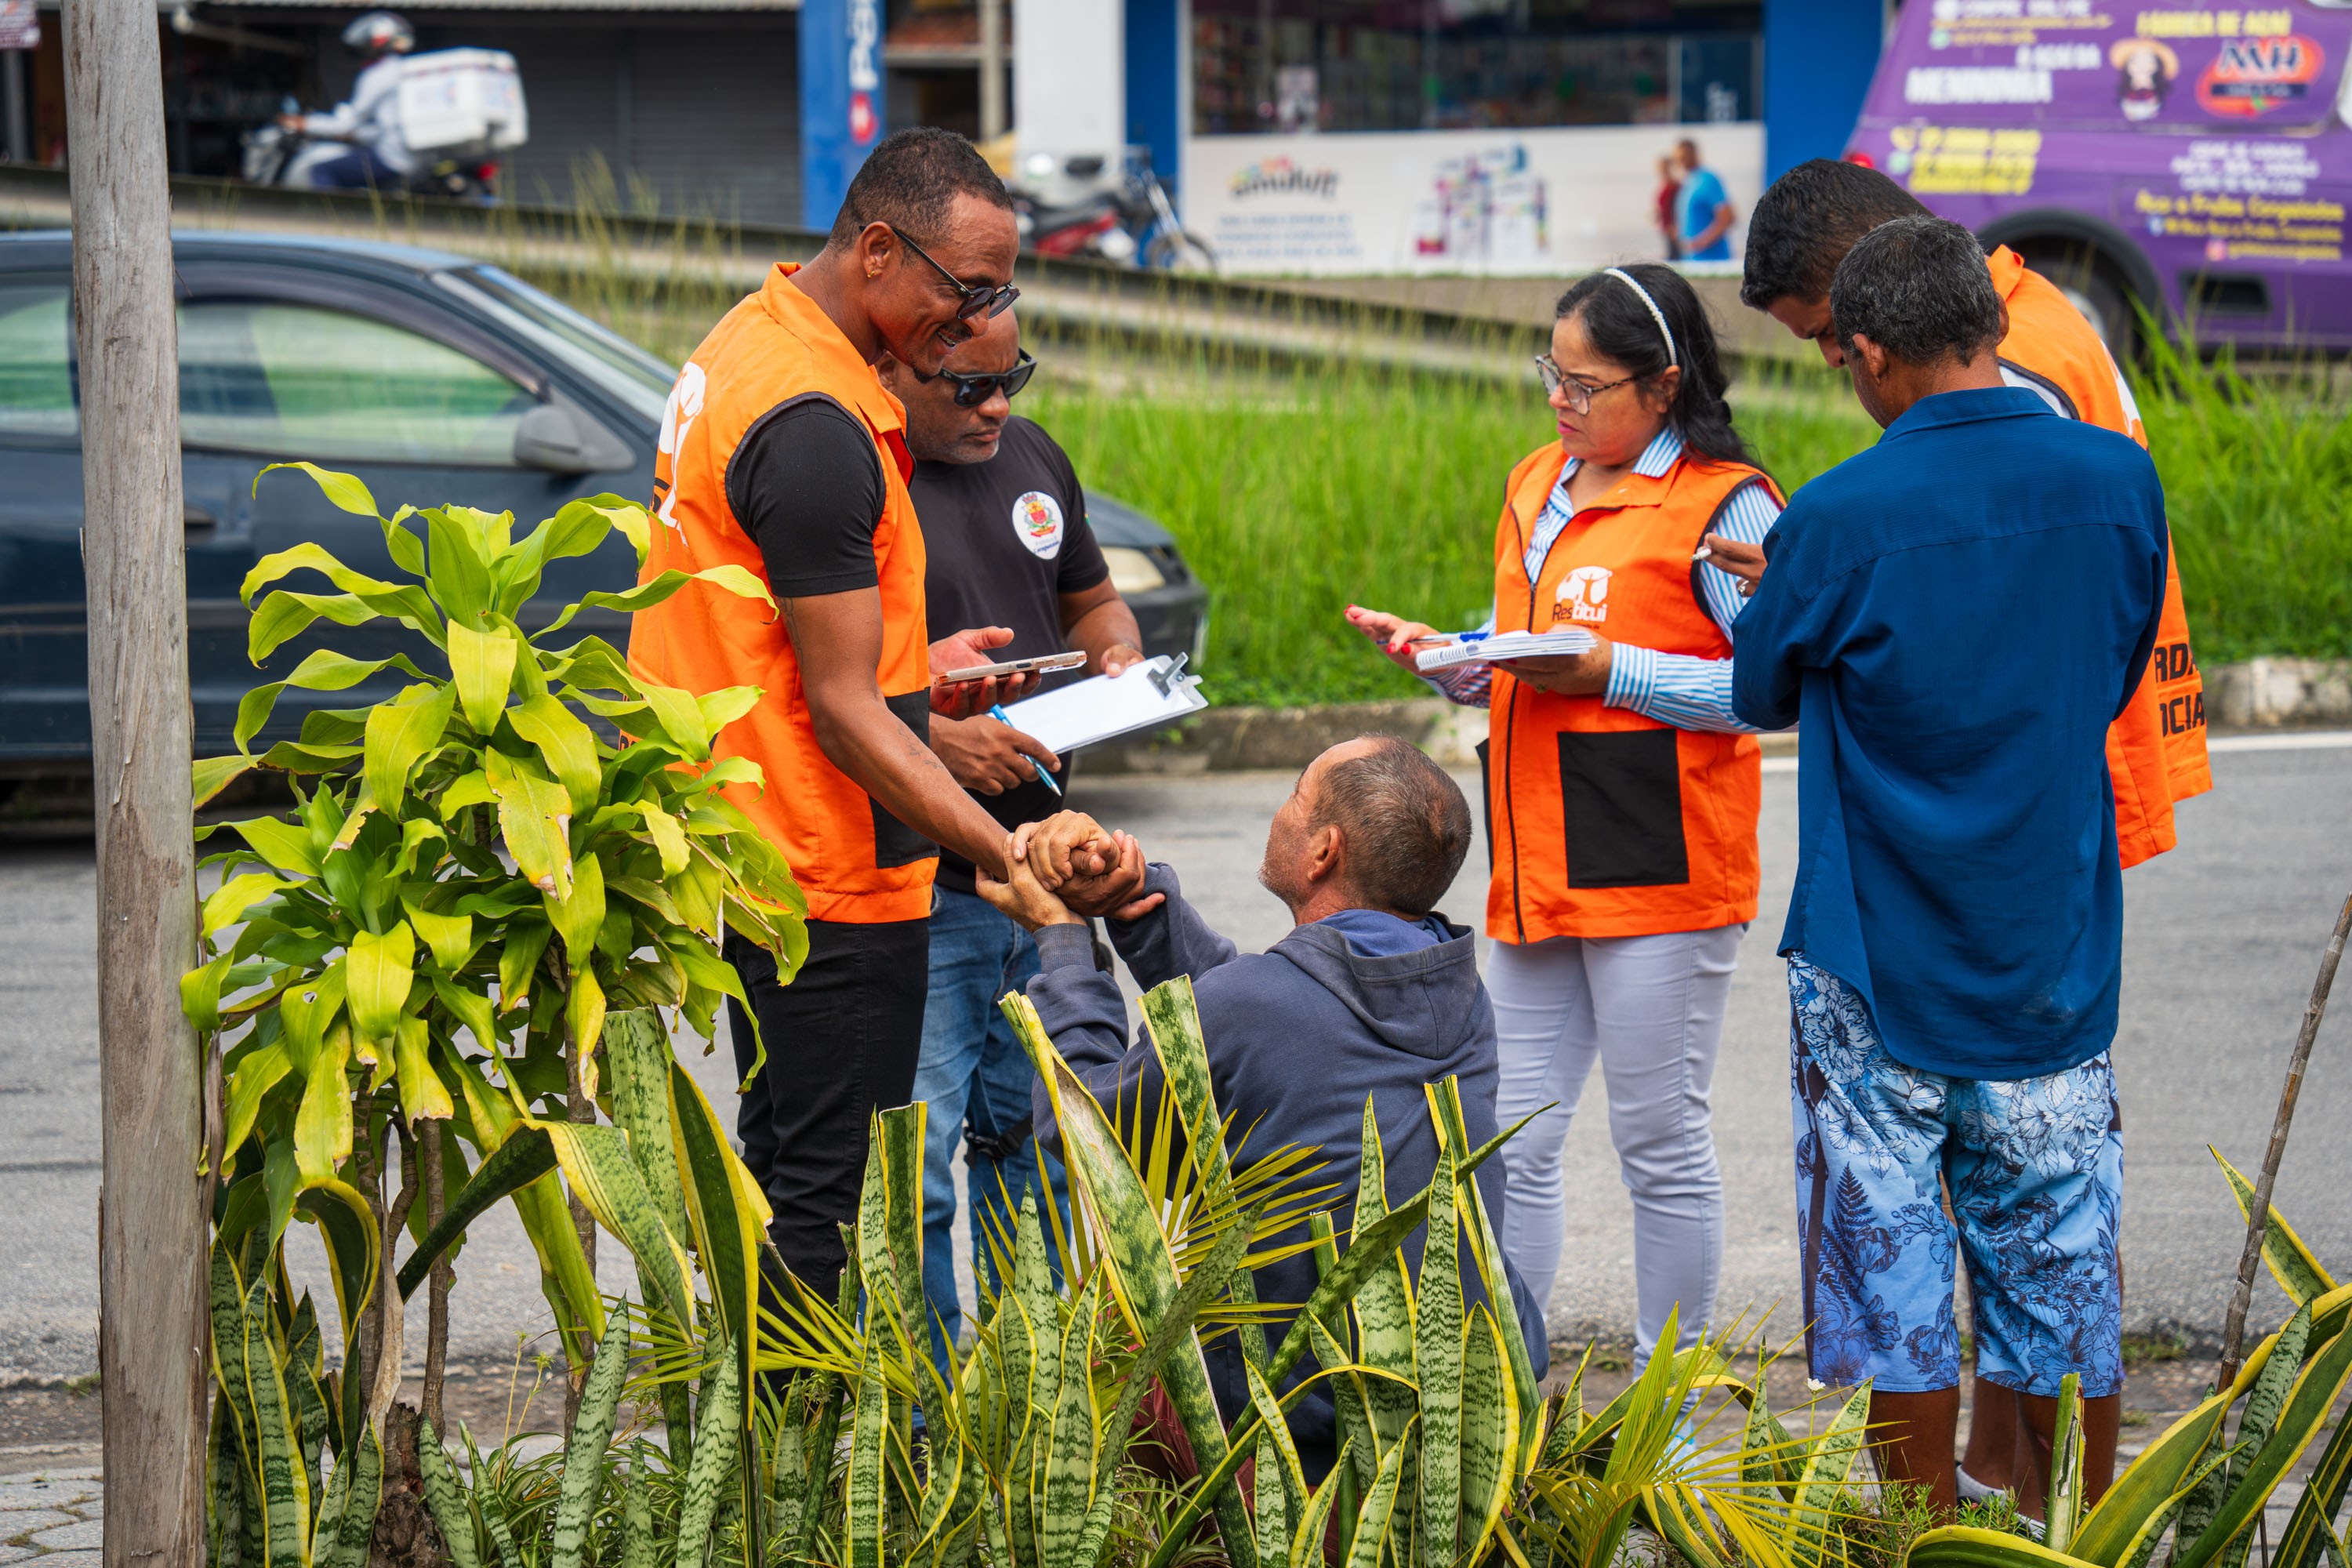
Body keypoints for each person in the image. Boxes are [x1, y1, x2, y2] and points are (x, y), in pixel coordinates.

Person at [1731, 159, 2209, 1501]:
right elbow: (2114, 664)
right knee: (2057, 1262)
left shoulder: (1835, 516)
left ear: (1871, 352)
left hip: (1875, 961)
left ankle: (1920, 1535)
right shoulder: (2120, 482)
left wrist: (1771, 596)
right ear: (1988, 329)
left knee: (1892, 1276)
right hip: (2050, 942)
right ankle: (2066, 1529)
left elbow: (1761, 686)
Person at [630, 126, 1043, 1308]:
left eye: (997, 294)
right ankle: (799, 1476)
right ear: (876, 250)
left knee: (789, 1175)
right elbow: (849, 717)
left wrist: (920, 668)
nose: (974, 327)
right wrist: (1001, 850)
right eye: (962, 293)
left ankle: (776, 1469)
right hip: (830, 874)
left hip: (751, 853)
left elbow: (770, 624)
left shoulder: (749, 342)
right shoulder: (816, 424)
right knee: (829, 1212)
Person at [1344, 263, 1783, 1376]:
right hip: (1533, 863)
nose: (1560, 400)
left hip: (1658, 866)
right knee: (1514, 1143)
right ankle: (1508, 1396)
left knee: (1659, 1144)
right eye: (1553, 372)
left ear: (1664, 385)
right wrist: (1453, 659)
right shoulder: (1537, 482)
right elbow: (1527, 655)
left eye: (1585, 384)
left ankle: (1666, 1419)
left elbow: (1766, 687)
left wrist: (1614, 673)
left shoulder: (1726, 505)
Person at [978, 739, 1549, 1477]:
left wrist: (1060, 944)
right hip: (1474, 1402)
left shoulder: (1253, 1008)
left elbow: (1087, 1132)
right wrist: (1138, 903)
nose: (1279, 815)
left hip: (1307, 1431)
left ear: (1323, 852)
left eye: (1293, 798)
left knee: (1101, 1366)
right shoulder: (1459, 993)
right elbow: (1278, 1015)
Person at [1729, 158, 2208, 869]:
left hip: (2024, 765)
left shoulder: (1995, 371)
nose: (1835, 357)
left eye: (1829, 329)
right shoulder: (2025, 305)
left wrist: (1829, 584)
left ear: (1880, 265)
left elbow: (1997, 591)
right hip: (2071, 728)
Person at [872, 305, 1148, 1365]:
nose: (998, 407)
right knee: (923, 1165)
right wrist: (937, 739)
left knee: (1034, 1147)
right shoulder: (864, 479)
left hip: (1043, 875)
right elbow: (821, 686)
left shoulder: (1032, 458)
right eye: (971, 388)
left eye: (1013, 380)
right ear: (898, 365)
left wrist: (1117, 664)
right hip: (925, 884)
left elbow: (1095, 607)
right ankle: (935, 1419)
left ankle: (1032, 1391)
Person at [281, 13, 419, 191]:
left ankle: (329, 217)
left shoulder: (379, 74)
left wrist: (305, 123)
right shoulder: (402, 70)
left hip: (391, 157)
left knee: (321, 170)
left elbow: (345, 125)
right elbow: (385, 127)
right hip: (408, 156)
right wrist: (358, 134)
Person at [1673, 139, 1737, 262]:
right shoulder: (1687, 183)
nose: (1680, 161)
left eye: (1683, 156)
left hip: (1713, 263)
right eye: (1678, 157)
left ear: (1693, 154)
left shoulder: (1707, 179)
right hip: (1691, 262)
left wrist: (1700, 243)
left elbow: (1728, 217)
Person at [1655, 155, 1686, 260]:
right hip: (1666, 228)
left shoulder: (1675, 186)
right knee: (1671, 253)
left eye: (1663, 168)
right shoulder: (1665, 185)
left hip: (1674, 229)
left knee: (1675, 256)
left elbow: (1680, 207)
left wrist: (1677, 226)